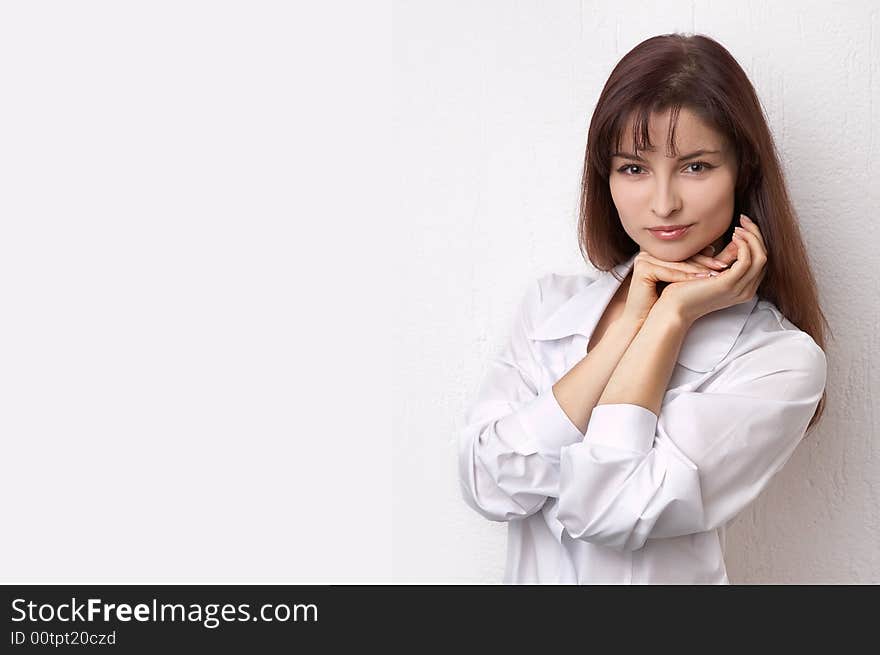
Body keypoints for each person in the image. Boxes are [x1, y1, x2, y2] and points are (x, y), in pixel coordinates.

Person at [457, 33, 830, 584]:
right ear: (603, 178)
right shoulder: (549, 305)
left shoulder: (780, 361)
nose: (663, 203)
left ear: (743, 172)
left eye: (696, 167)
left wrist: (670, 318)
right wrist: (629, 323)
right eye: (633, 168)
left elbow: (605, 507)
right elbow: (490, 484)